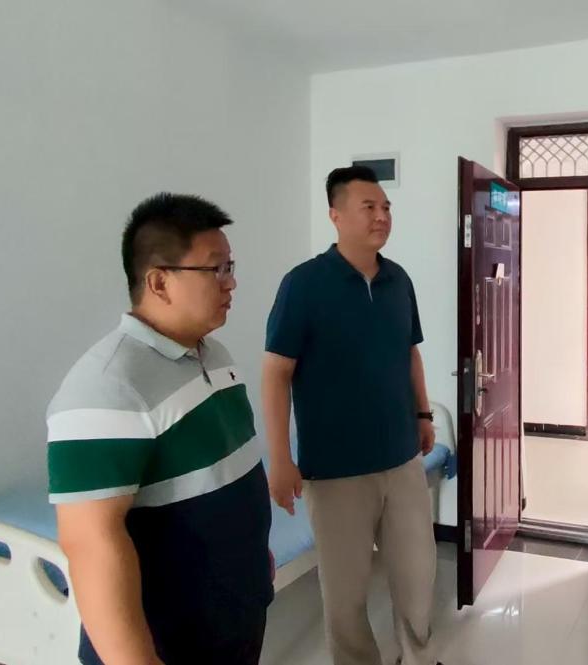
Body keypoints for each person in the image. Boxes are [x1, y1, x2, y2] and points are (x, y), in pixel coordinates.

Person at [48, 194, 273, 664]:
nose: (231, 282)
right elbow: (90, 545)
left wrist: (253, 556)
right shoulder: (107, 386)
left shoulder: (215, 356)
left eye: (231, 267)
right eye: (216, 269)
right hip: (170, 644)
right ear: (158, 282)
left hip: (234, 618)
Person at [263, 166, 439, 665]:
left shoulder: (398, 280)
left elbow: (410, 352)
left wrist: (423, 414)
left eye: (386, 207)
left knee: (417, 577)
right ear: (335, 215)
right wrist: (280, 458)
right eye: (369, 207)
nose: (382, 216)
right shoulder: (303, 284)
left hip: (401, 459)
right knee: (345, 596)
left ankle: (418, 657)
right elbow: (276, 372)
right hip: (335, 470)